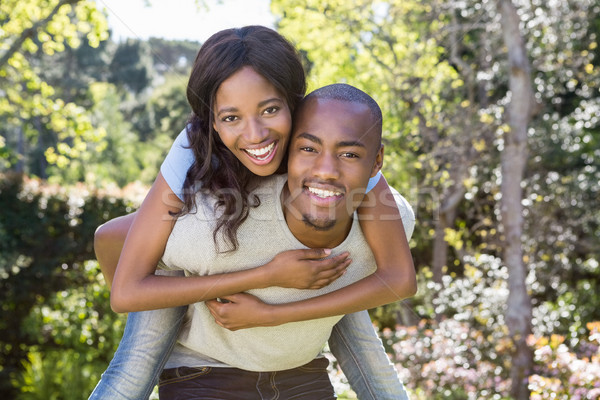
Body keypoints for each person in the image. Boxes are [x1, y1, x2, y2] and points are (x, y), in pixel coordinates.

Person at [89, 26, 415, 399]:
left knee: (350, 279)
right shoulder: (194, 150)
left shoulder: (328, 141)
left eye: (270, 110)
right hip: (201, 280)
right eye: (231, 118)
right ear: (212, 121)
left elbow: (399, 276)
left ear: (295, 103)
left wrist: (277, 314)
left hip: (313, 264)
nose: (256, 134)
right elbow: (116, 256)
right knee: (132, 370)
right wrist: (261, 277)